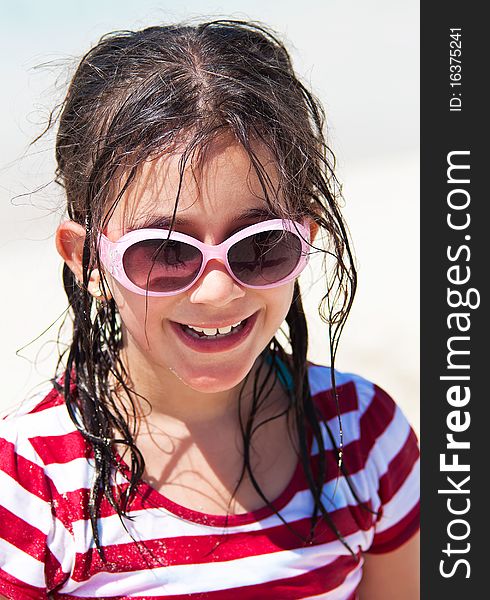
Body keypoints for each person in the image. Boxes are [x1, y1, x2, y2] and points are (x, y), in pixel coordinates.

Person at [0, 20, 419, 599]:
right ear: (88, 260)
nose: (216, 294)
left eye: (260, 245)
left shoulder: (363, 438)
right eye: (167, 252)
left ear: (305, 239)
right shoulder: (28, 489)